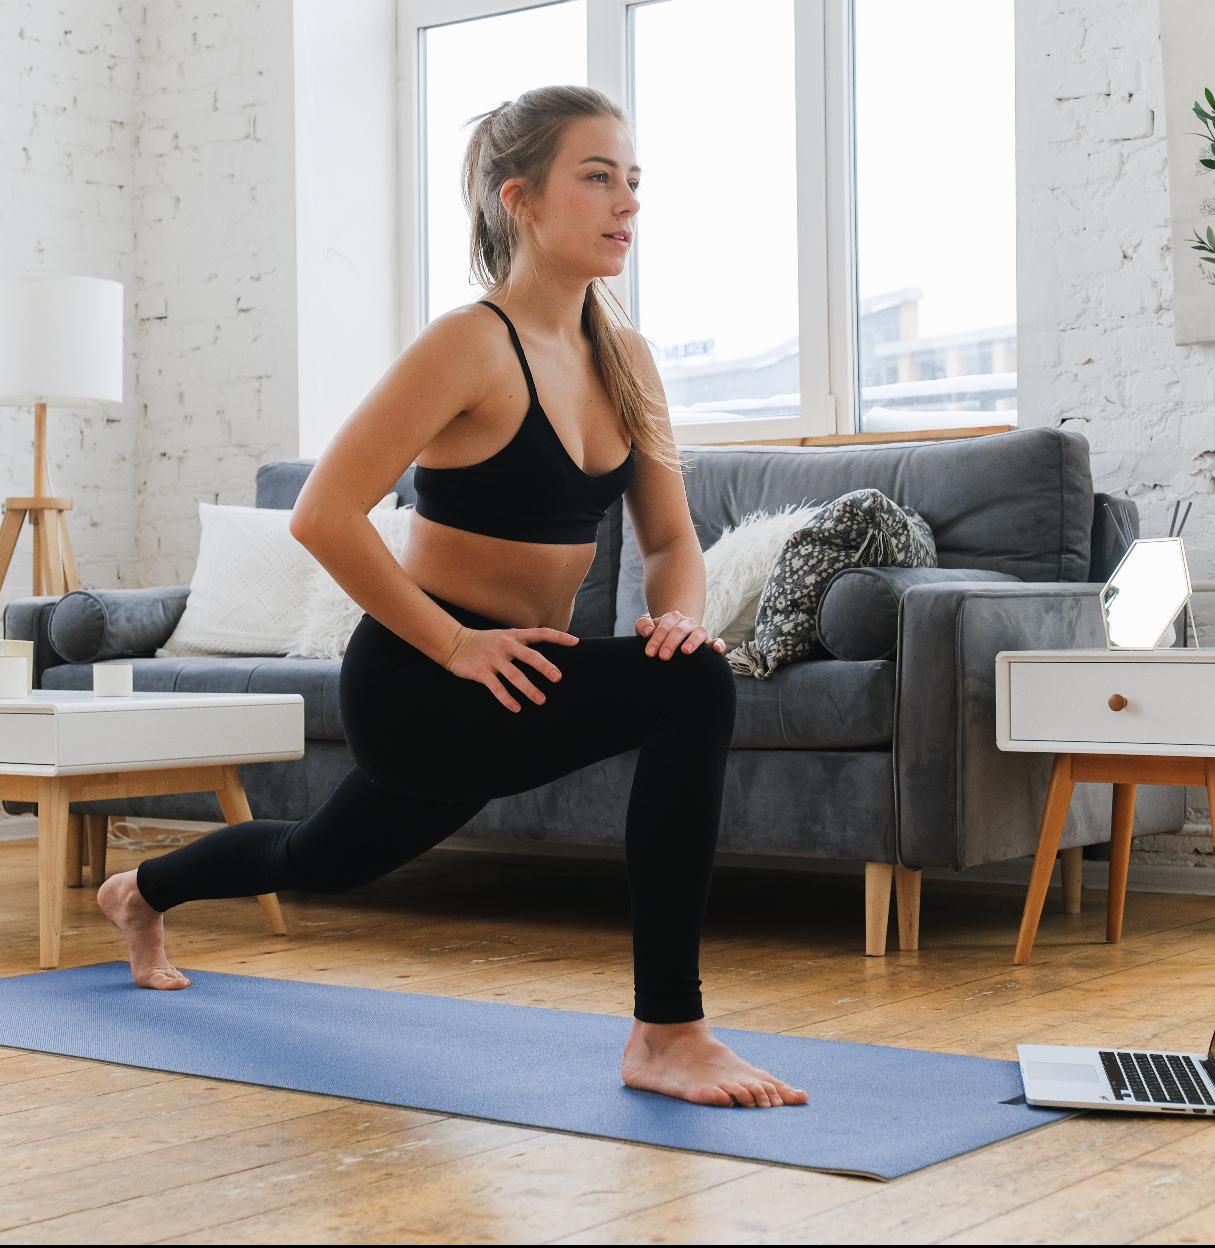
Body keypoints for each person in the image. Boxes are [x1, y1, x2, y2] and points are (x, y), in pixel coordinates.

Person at [98, 85, 808, 1111]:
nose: (627, 203)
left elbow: (668, 539)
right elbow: (323, 515)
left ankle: (141, 891)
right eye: (597, 178)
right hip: (423, 682)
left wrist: (680, 615)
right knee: (693, 689)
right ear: (521, 199)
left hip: (516, 679)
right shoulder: (466, 345)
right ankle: (667, 1033)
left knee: (320, 856)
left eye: (633, 181)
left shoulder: (626, 359)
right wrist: (455, 645)